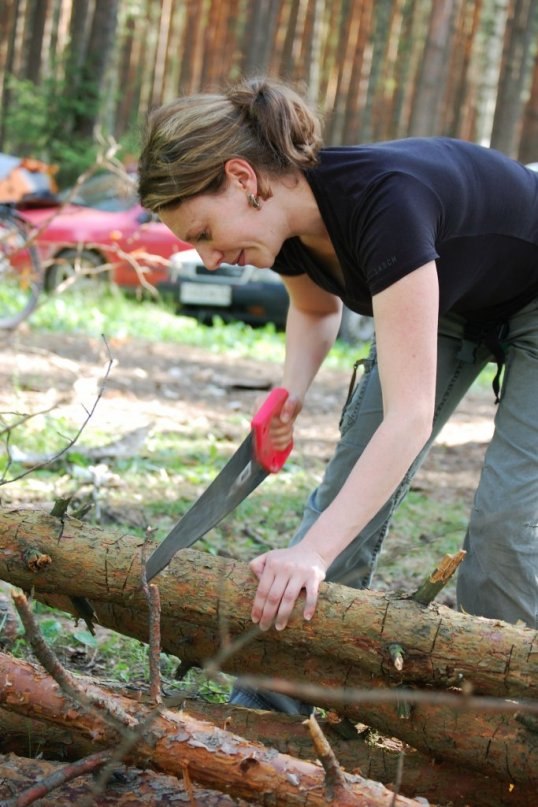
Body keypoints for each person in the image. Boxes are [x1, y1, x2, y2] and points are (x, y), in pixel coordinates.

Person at [138, 76, 538, 713]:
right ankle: (276, 710)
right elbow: (315, 310)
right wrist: (290, 394)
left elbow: (407, 419)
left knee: (506, 530)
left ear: (243, 178)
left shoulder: (385, 205)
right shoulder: (284, 223)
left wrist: (311, 556)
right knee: (341, 501)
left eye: (204, 233)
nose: (210, 260)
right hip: (455, 292)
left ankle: (503, 727)